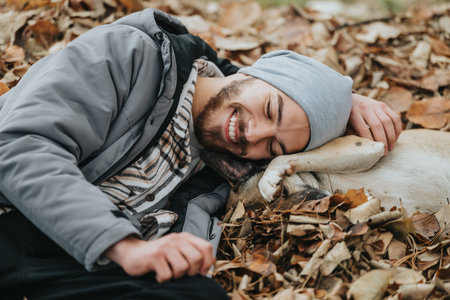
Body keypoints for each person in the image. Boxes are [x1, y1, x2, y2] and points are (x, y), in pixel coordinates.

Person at [0, 8, 401, 300]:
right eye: (271, 109)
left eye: (274, 147)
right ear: (250, 73)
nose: (253, 134)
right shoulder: (130, 54)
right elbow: (19, 147)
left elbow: (270, 102)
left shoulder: (220, 161)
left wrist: (344, 101)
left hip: (77, 264)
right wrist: (125, 246)